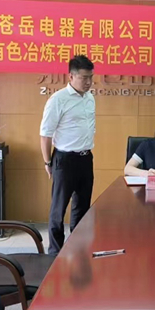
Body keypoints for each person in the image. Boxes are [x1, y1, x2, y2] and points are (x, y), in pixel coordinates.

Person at [40, 55, 96, 255]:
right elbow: (45, 134)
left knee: (82, 207)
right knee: (59, 209)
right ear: (71, 76)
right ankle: (55, 253)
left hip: (85, 158)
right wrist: (48, 162)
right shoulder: (58, 100)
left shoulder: (90, 98)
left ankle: (77, 249)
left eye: (90, 77)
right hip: (64, 160)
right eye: (84, 78)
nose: (88, 82)